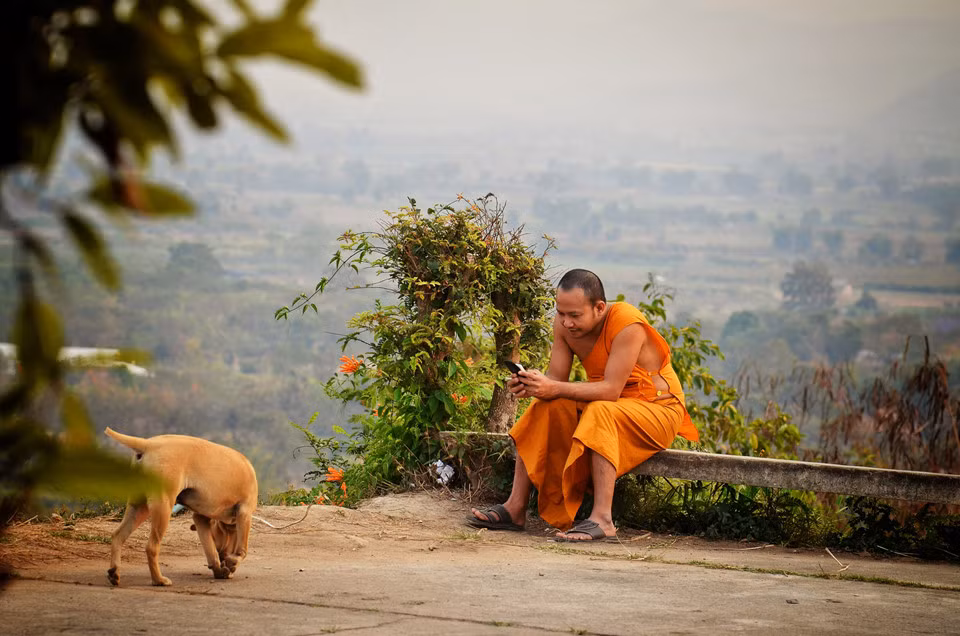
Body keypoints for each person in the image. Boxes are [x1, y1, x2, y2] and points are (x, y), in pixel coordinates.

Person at [468, 269, 699, 541]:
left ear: (599, 308)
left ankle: (603, 519)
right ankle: (515, 507)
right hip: (609, 406)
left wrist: (553, 387)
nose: (566, 322)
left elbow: (610, 390)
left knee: (600, 410)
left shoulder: (627, 324)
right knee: (545, 407)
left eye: (575, 315)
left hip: (657, 410)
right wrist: (533, 386)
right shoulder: (564, 325)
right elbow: (556, 381)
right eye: (561, 313)